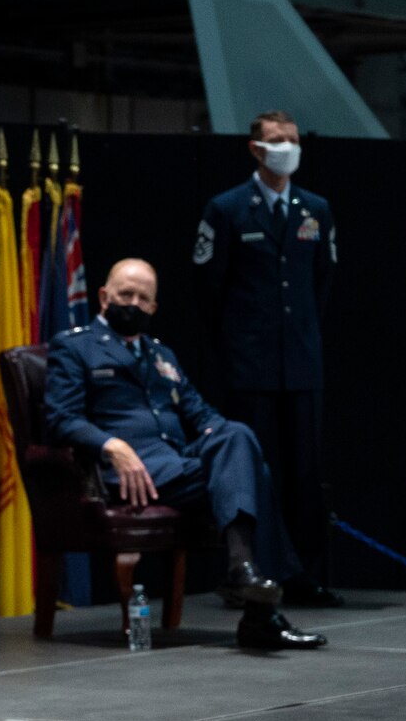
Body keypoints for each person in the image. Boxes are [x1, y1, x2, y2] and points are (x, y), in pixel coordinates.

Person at [44, 259, 326, 650]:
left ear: (154, 308)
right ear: (104, 296)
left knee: (238, 437)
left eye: (144, 298)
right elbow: (61, 419)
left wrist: (227, 440)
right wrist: (112, 445)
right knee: (253, 471)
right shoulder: (75, 346)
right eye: (126, 294)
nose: (134, 303)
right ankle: (258, 605)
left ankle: (244, 575)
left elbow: (199, 413)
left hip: (176, 462)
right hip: (133, 471)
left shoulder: (162, 355)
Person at [192, 110, 339, 607]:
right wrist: (238, 344)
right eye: (278, 141)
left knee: (304, 474)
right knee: (254, 472)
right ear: (256, 149)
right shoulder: (228, 208)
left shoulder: (315, 209)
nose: (287, 149)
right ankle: (250, 572)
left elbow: (321, 284)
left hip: (300, 363)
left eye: (293, 140)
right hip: (249, 365)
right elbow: (211, 288)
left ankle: (304, 575)